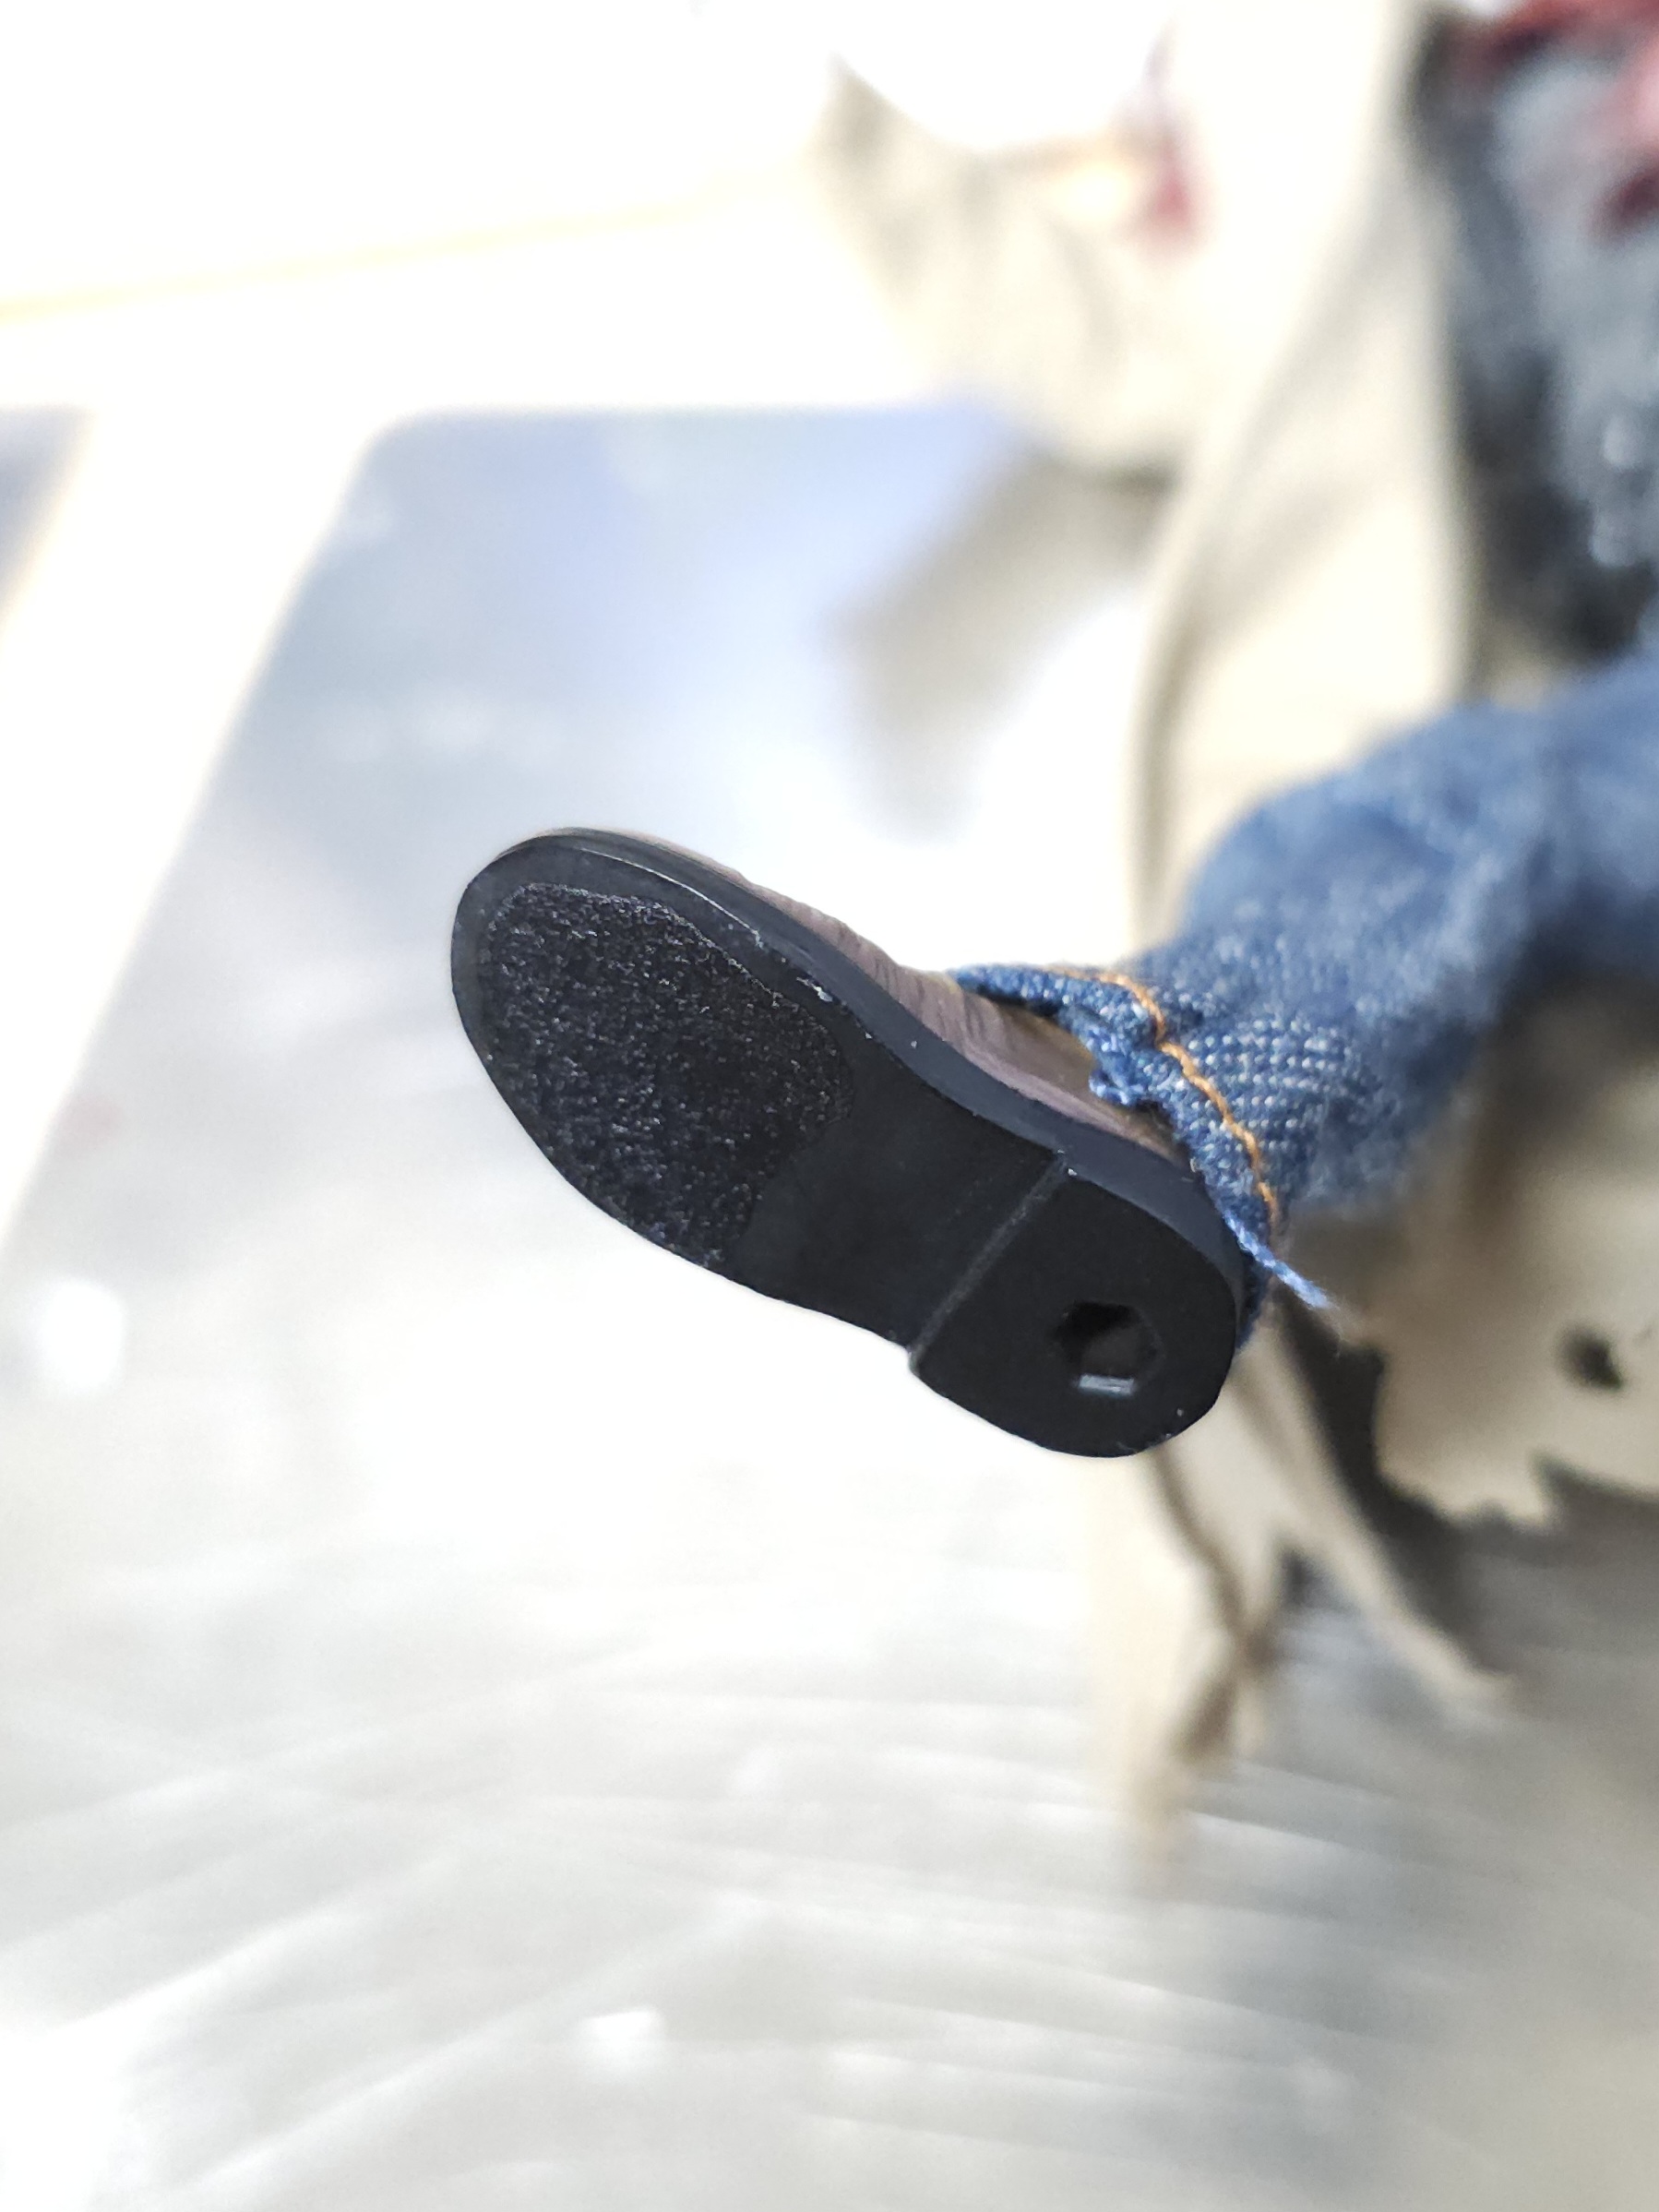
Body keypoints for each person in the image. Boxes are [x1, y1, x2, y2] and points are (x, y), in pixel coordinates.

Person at [457, 0, 1659, 1822]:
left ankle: (1136, 1112)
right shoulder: (1324, 84)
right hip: (1589, 691)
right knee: (1419, 821)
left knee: (1481, 810)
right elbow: (1132, 357)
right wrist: (810, 118)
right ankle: (1106, 1119)